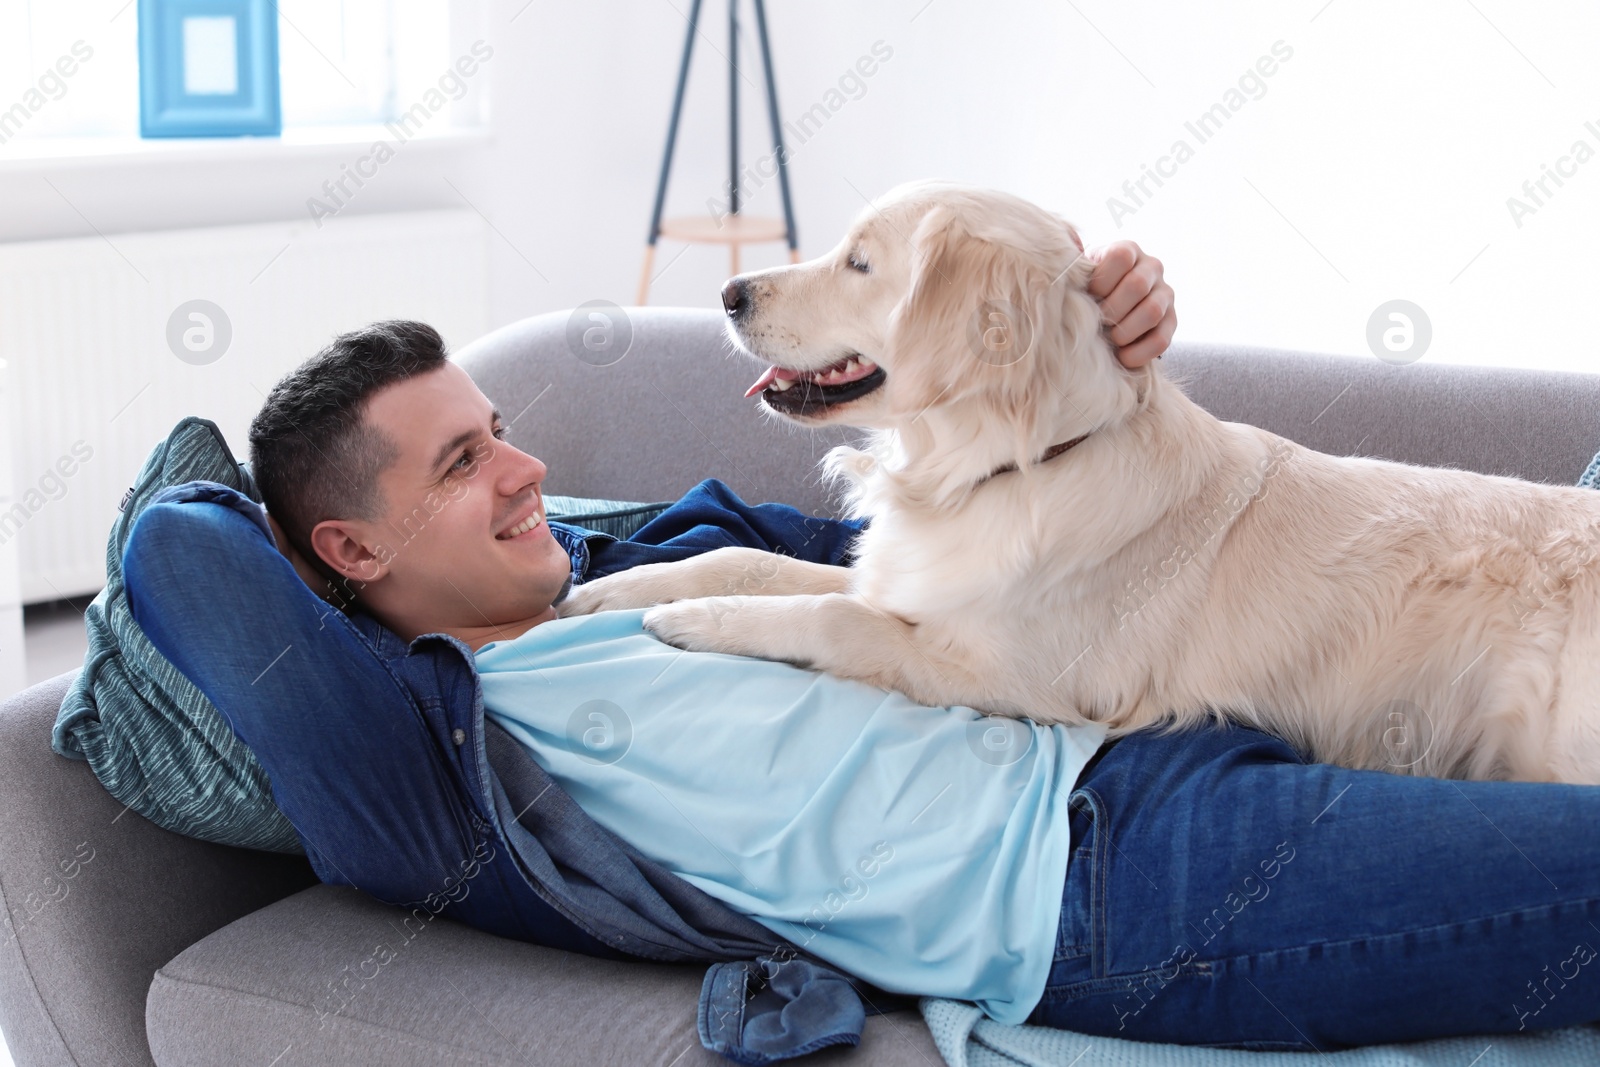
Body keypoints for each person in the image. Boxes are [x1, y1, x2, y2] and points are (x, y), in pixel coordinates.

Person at [123, 247, 1600, 1056]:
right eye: (460, 463)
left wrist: (1089, 344)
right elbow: (179, 550)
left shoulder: (640, 565)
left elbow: (947, 543)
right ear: (344, 556)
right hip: (1118, 896)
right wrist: (277, 497)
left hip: (1150, 737)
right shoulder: (421, 749)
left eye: (502, 431)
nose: (522, 470)